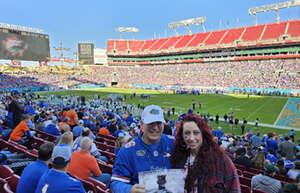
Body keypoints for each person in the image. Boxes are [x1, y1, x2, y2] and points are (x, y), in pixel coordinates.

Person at [111, 105, 174, 193]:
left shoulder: (173, 143)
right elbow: (116, 183)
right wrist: (129, 190)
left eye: (159, 123)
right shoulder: (127, 150)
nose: (155, 127)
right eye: (151, 123)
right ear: (141, 124)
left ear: (163, 124)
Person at [170, 114, 240, 193]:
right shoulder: (179, 157)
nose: (191, 138)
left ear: (203, 134)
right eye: (187, 133)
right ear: (182, 136)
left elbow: (234, 189)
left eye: (196, 133)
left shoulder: (221, 160)